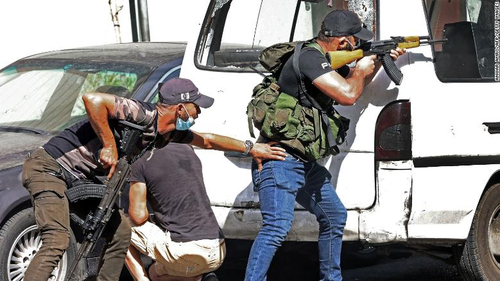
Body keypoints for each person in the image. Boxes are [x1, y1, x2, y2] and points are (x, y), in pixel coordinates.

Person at [22, 77, 286, 281]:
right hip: (49, 168)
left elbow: (207, 140)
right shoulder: (143, 114)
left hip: (80, 178)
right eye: (197, 108)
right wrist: (109, 144)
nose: (199, 113)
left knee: (120, 232)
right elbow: (93, 99)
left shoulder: (165, 134)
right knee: (57, 239)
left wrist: (252, 148)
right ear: (181, 108)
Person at [244, 10, 405, 281]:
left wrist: (379, 60)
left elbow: (352, 81)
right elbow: (348, 94)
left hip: (304, 161)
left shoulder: (322, 56)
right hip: (280, 159)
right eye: (356, 40)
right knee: (276, 228)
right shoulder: (309, 58)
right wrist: (364, 68)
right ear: (343, 43)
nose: (358, 45)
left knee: (334, 216)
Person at [124, 142, 224, 281]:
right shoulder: (186, 148)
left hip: (185, 252)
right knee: (155, 272)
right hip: (218, 250)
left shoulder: (140, 161)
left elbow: (138, 217)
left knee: (119, 225)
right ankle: (201, 278)